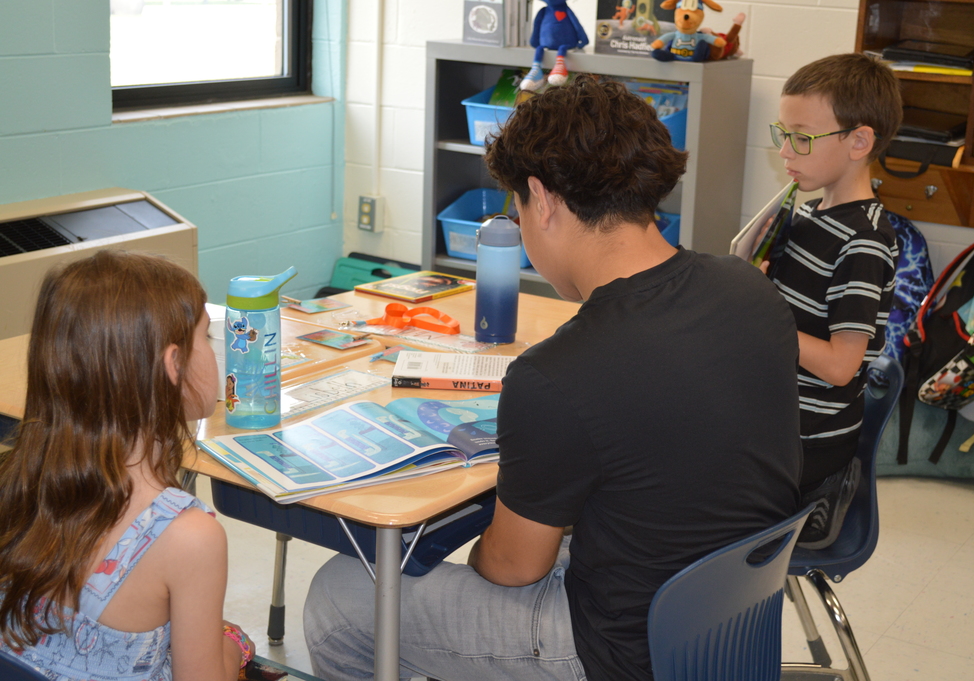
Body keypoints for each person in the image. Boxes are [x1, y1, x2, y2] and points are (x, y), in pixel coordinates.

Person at [303, 76, 802, 681]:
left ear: (541, 198)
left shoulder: (557, 374)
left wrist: (487, 542)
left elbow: (513, 568)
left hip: (617, 651)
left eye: (516, 209)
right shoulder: (750, 289)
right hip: (725, 619)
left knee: (343, 594)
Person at [0, 250, 254, 681]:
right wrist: (234, 649)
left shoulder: (14, 480)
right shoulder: (189, 538)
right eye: (206, 338)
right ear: (172, 365)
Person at [765, 53, 901, 548]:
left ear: (859, 141)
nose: (786, 152)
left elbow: (843, 365)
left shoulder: (862, 242)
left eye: (802, 137)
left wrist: (759, 318)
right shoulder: (812, 212)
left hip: (806, 443)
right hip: (777, 418)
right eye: (783, 134)